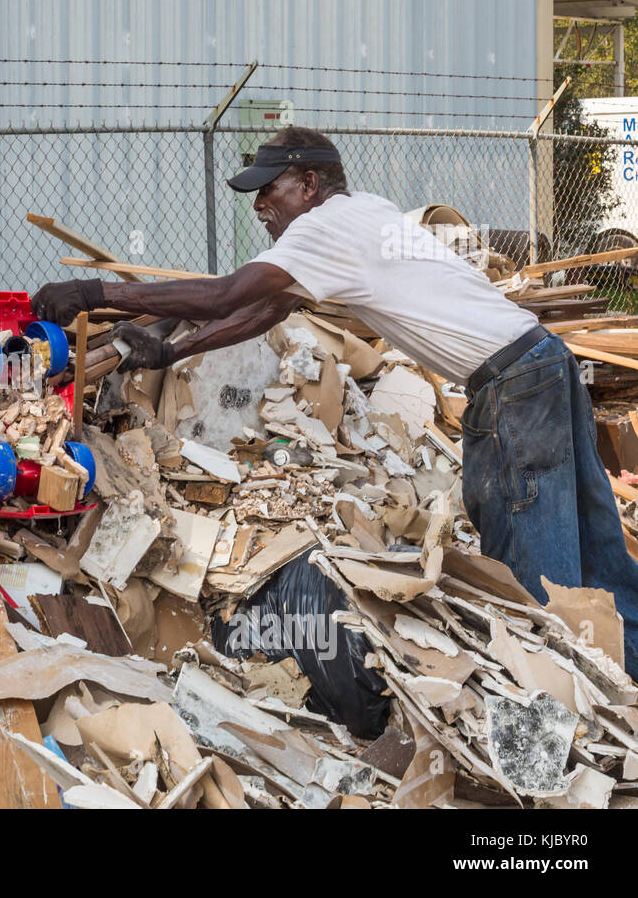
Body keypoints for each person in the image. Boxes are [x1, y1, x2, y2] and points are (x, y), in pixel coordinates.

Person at [32, 125, 638, 673]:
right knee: (597, 544)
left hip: (513, 387)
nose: (260, 205)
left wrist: (93, 290)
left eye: (270, 190)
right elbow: (267, 308)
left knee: (529, 553)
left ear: (309, 183)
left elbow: (226, 295)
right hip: (544, 362)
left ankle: (560, 703)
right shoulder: (359, 214)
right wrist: (170, 354)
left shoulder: (322, 227)